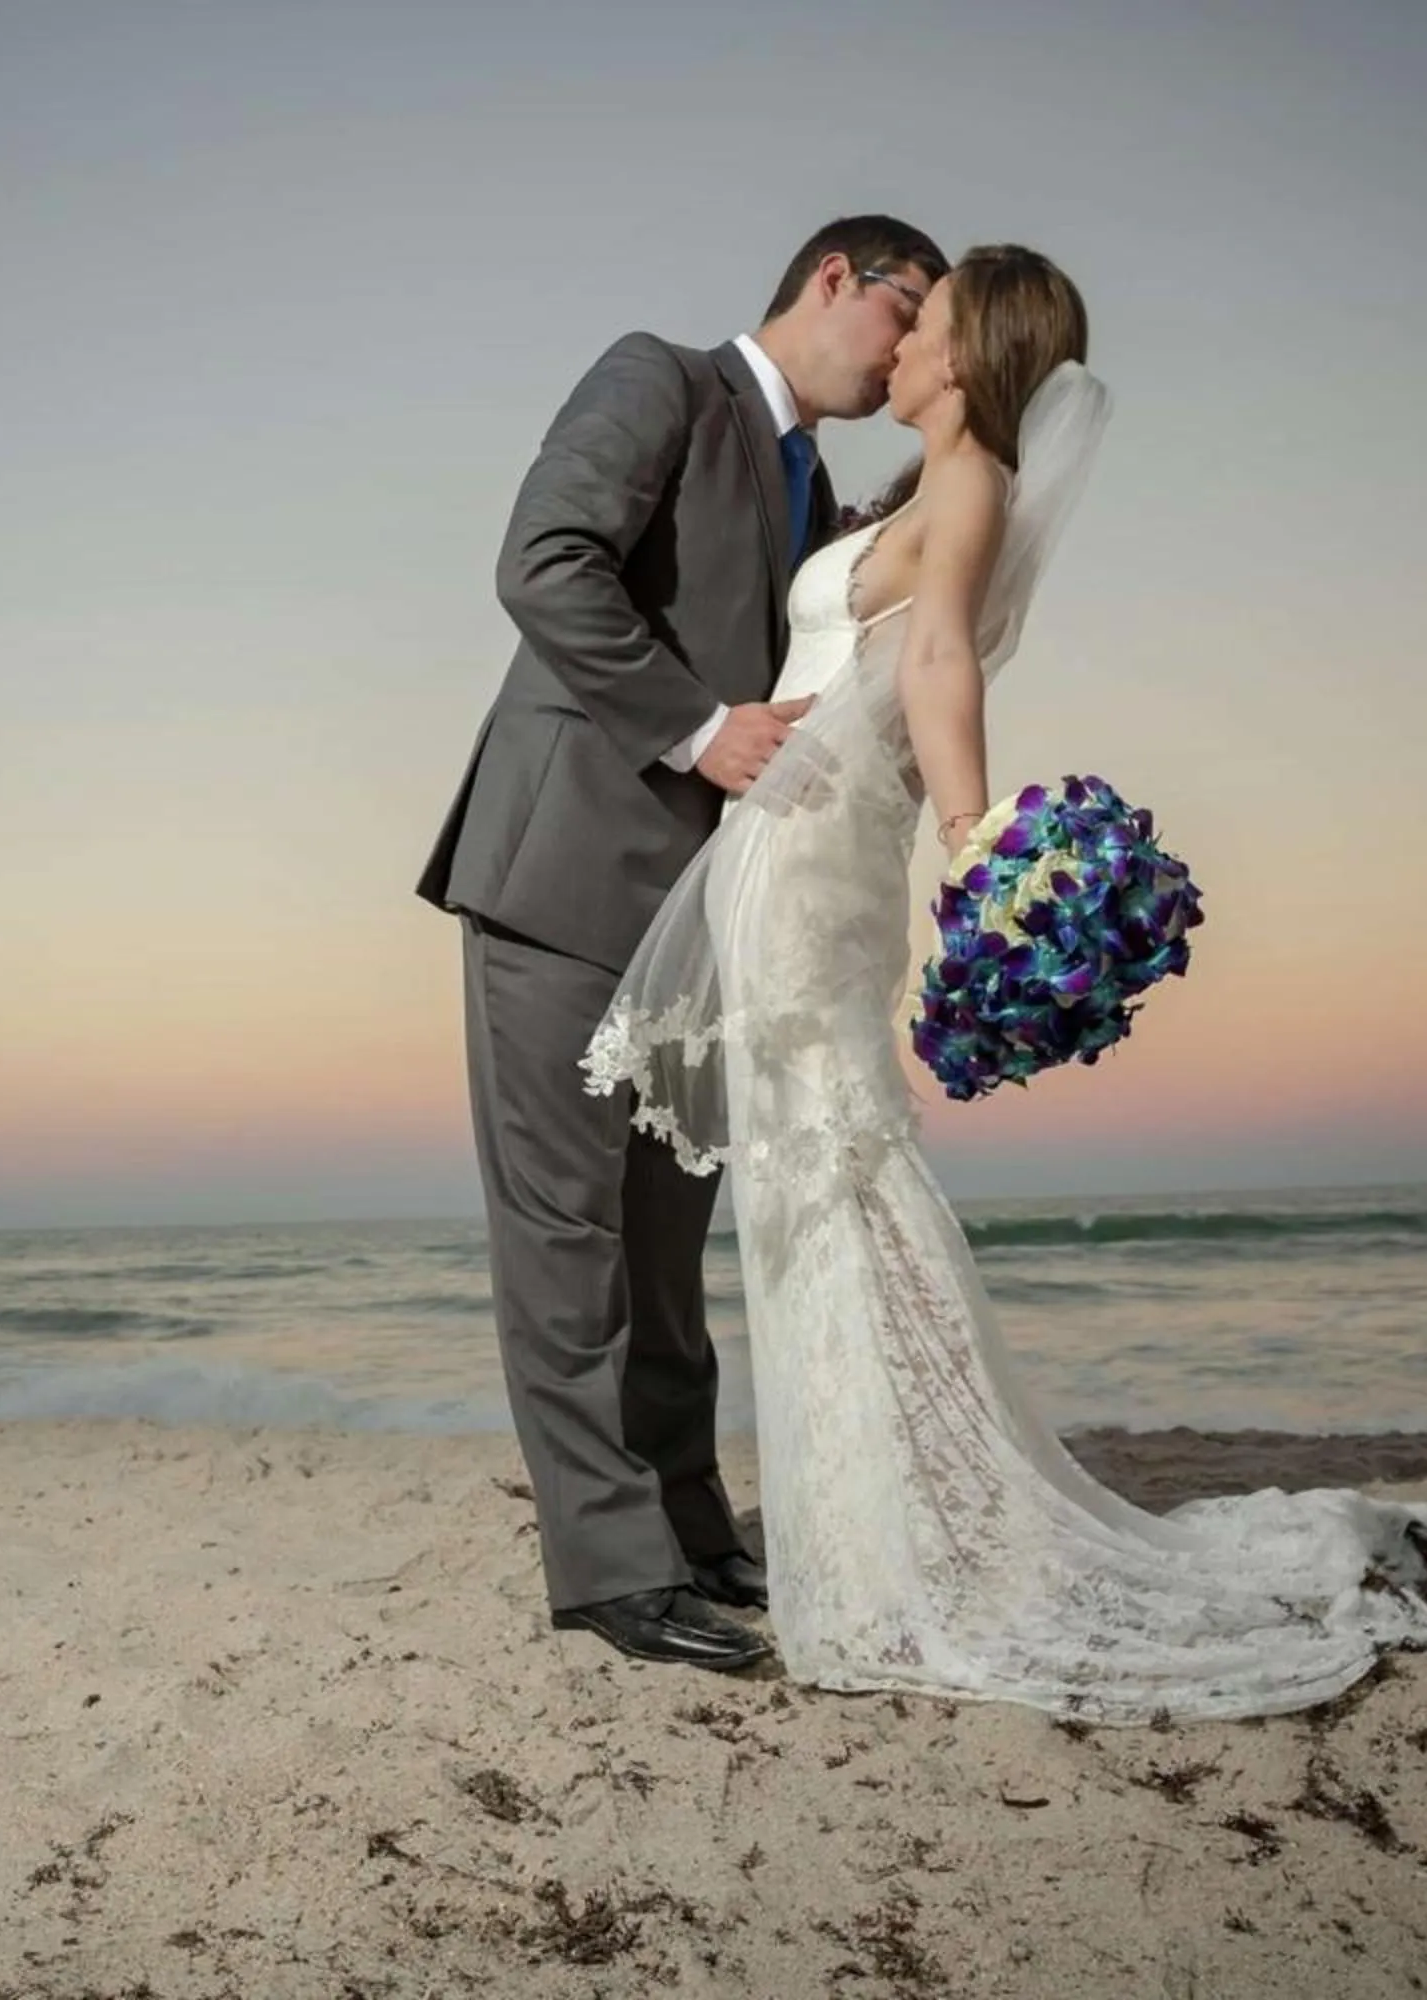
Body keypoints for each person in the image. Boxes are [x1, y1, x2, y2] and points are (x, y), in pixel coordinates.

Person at [583, 246, 1427, 1720]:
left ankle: (904, 1545)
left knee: (839, 1186)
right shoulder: (910, 486)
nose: (895, 350)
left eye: (924, 327)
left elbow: (942, 657)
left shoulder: (969, 487)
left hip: (824, 860)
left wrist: (977, 839)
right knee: (812, 1193)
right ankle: (866, 1530)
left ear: (970, 355)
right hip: (790, 848)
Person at [415, 216, 951, 1673]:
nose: (909, 352)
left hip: (701, 928)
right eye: (909, 314)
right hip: (559, 881)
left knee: (665, 1253)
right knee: (567, 1241)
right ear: (838, 277)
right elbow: (545, 561)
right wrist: (704, 729)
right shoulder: (658, 378)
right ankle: (607, 1570)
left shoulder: (813, 483)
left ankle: (693, 1527)